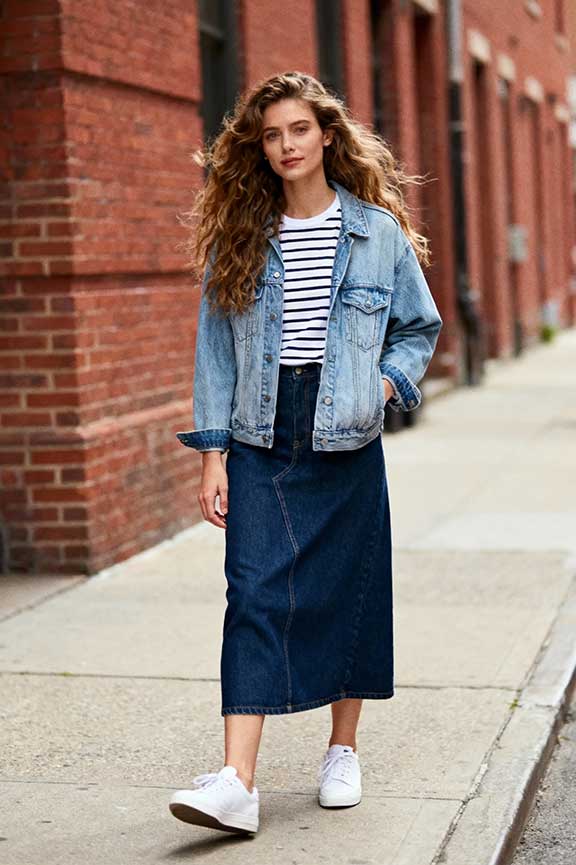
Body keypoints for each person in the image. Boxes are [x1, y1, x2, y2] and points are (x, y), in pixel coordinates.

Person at [169, 71, 443, 836]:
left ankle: (342, 748)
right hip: (261, 433)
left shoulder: (377, 235)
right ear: (259, 147)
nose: (286, 146)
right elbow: (215, 350)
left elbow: (417, 327)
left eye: (298, 129)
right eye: (270, 134)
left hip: (346, 434)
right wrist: (213, 452)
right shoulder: (242, 235)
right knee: (252, 593)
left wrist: (384, 388)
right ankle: (237, 780)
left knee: (348, 593)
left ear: (326, 134)